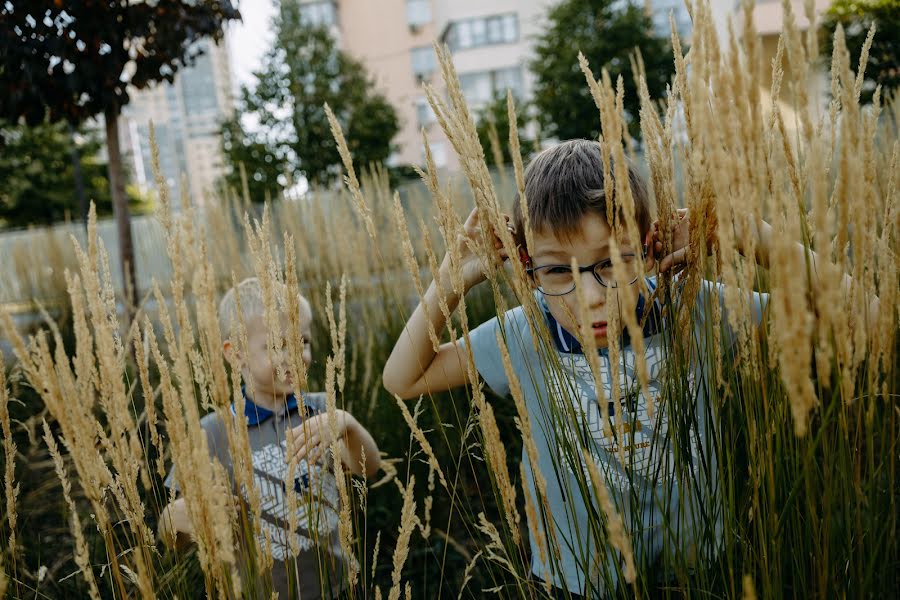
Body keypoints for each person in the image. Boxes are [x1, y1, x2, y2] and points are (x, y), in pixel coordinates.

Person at [382, 139, 773, 596]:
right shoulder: (524, 335)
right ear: (526, 266)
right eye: (557, 272)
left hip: (698, 570)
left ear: (648, 249)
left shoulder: (693, 309)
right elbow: (402, 378)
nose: (591, 298)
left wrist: (750, 235)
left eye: (613, 261)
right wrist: (453, 279)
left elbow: (866, 315)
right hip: (578, 580)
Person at [160, 277, 381, 600]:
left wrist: (347, 425)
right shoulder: (213, 432)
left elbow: (368, 468)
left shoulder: (321, 411)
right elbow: (171, 539)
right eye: (278, 345)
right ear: (235, 354)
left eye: (302, 341)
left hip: (337, 586)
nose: (297, 355)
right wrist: (175, 518)